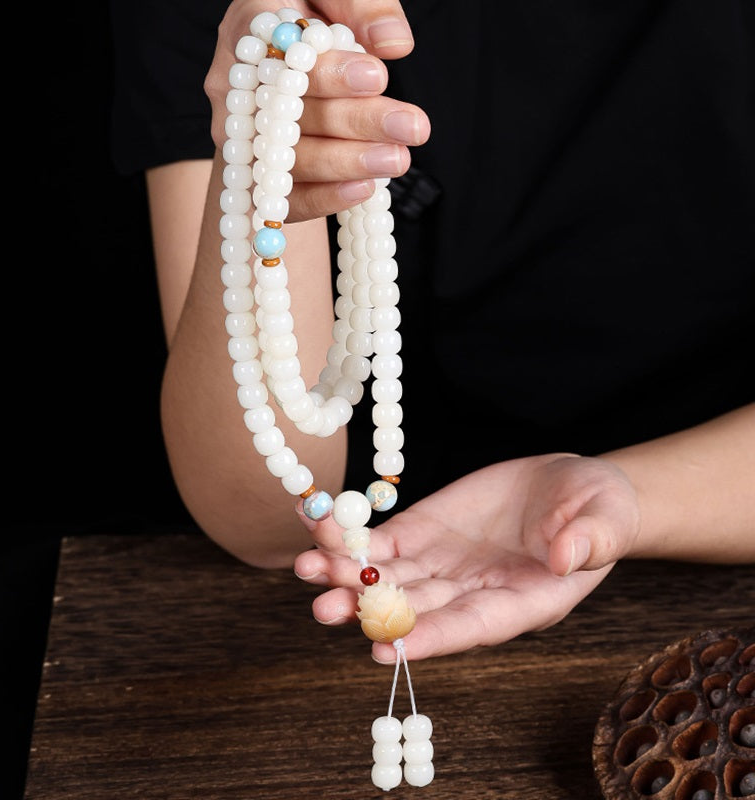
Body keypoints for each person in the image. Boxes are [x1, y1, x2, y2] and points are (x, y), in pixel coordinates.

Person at [110, 0, 755, 666]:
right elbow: (268, 520)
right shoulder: (269, 18)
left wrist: (632, 499)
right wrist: (264, 158)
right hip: (366, 591)